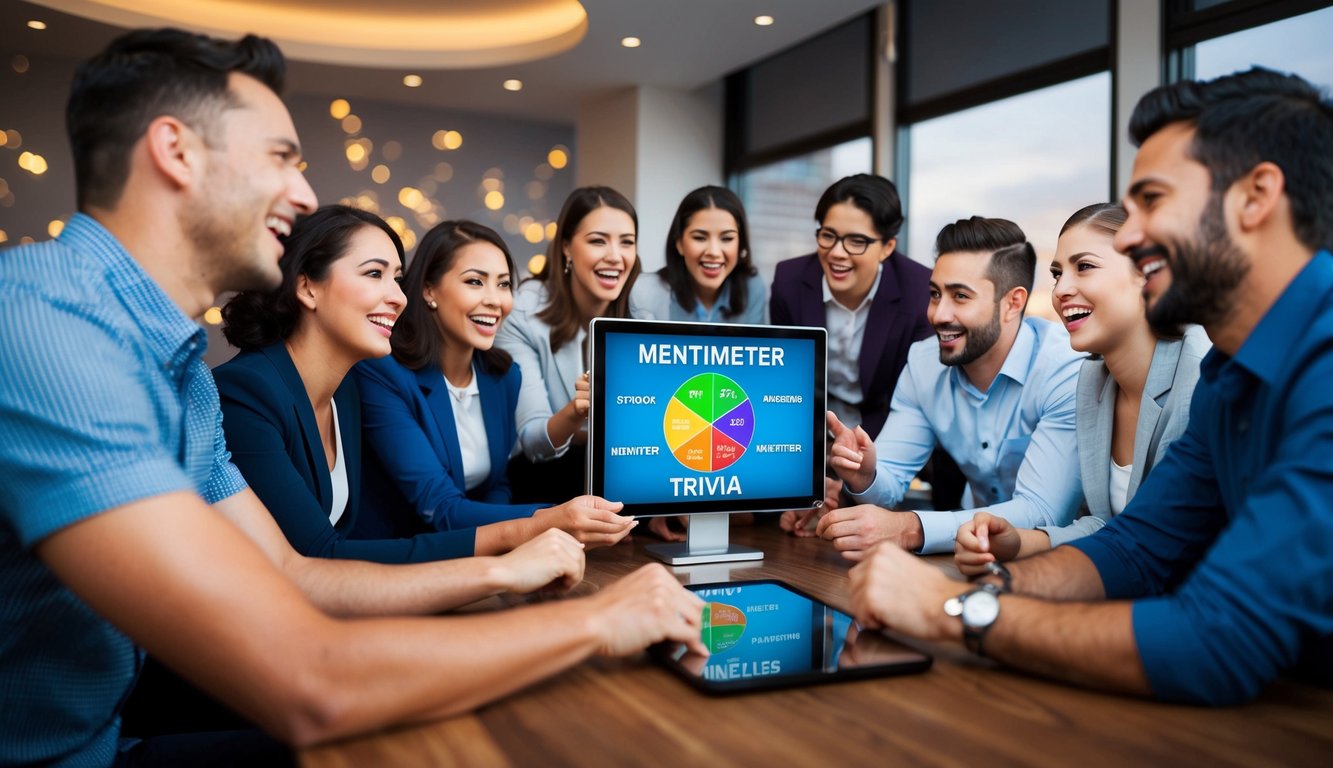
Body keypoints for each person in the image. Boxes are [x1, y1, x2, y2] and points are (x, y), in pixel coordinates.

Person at [0, 29, 703, 766]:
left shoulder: (177, 368)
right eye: (281, 158)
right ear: (175, 151)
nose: (303, 194)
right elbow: (312, 680)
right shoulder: (47, 326)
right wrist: (598, 621)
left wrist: (503, 567)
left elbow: (297, 572)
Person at [848, 67, 1333, 705]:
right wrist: (982, 594)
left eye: (1152, 202)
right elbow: (1136, 548)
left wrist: (952, 611)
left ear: (1256, 195)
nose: (1131, 236)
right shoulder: (1229, 376)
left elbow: (1220, 640)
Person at [215, 206, 634, 562]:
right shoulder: (254, 390)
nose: (398, 295)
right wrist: (539, 526)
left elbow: (497, 485)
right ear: (306, 285)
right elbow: (321, 554)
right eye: (375, 274)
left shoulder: (345, 387)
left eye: (396, 278)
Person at [809, 217, 1085, 556]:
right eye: (935, 294)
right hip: (973, 556)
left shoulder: (1063, 368)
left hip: (1067, 561)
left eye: (960, 296)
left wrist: (911, 529)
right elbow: (890, 482)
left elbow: (1042, 512)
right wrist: (864, 475)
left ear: (1013, 303)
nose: (938, 314)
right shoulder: (924, 363)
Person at [955, 204, 1209, 572]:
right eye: (1058, 274)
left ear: (1147, 273)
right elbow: (1106, 524)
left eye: (1084, 266)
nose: (1061, 290)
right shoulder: (1093, 381)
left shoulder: (1200, 377)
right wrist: (1020, 541)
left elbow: (1167, 540)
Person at [352, 218, 635, 546]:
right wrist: (553, 518)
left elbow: (496, 484)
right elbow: (438, 507)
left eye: (503, 285)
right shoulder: (382, 372)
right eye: (475, 282)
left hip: (475, 552)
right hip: (396, 558)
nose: (495, 300)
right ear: (429, 290)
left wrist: (508, 543)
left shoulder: (501, 376)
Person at [496, 185, 641, 503]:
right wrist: (577, 413)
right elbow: (534, 442)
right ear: (566, 248)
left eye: (627, 243)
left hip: (622, 477)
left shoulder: (644, 312)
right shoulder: (521, 314)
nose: (615, 256)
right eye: (597, 241)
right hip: (542, 481)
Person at [769, 174, 932, 441]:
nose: (836, 253)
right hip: (809, 429)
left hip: (885, 429)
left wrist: (854, 463)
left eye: (856, 241)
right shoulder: (790, 281)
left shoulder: (918, 292)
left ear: (887, 247)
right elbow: (786, 383)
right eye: (828, 235)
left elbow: (909, 401)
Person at [630, 185, 767, 324]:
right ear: (679, 243)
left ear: (741, 244)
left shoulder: (752, 287)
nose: (713, 252)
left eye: (726, 238)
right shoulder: (647, 292)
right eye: (700, 238)